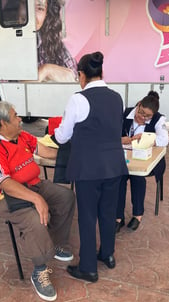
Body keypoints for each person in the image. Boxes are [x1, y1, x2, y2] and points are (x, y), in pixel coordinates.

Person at [0, 101, 75, 302]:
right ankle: (39, 270)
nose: (20, 119)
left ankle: (53, 244)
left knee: (65, 197)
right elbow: (4, 183)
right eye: (15, 116)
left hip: (31, 184)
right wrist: (37, 199)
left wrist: (74, 157)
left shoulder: (20, 135)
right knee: (32, 217)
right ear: (3, 123)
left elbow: (42, 150)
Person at [54, 51, 128, 282]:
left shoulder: (78, 99)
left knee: (87, 217)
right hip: (115, 166)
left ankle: (88, 268)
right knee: (108, 213)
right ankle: (107, 255)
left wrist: (55, 133)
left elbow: (63, 136)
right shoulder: (117, 97)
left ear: (82, 75)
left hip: (88, 170)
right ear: (102, 72)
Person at [115, 91, 169, 233]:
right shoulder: (125, 113)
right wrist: (121, 140)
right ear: (138, 105)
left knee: (137, 177)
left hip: (146, 159)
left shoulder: (159, 119)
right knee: (119, 177)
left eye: (147, 116)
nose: (143, 118)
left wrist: (146, 138)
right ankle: (118, 217)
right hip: (124, 156)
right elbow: (111, 133)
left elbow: (164, 139)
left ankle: (137, 215)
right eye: (141, 113)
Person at [36, 0, 77, 82]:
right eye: (25, 5)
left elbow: (74, 83)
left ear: (46, 14)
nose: (32, 15)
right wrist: (44, 70)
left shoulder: (57, 49)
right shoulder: (5, 45)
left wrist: (47, 70)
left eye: (40, 8)